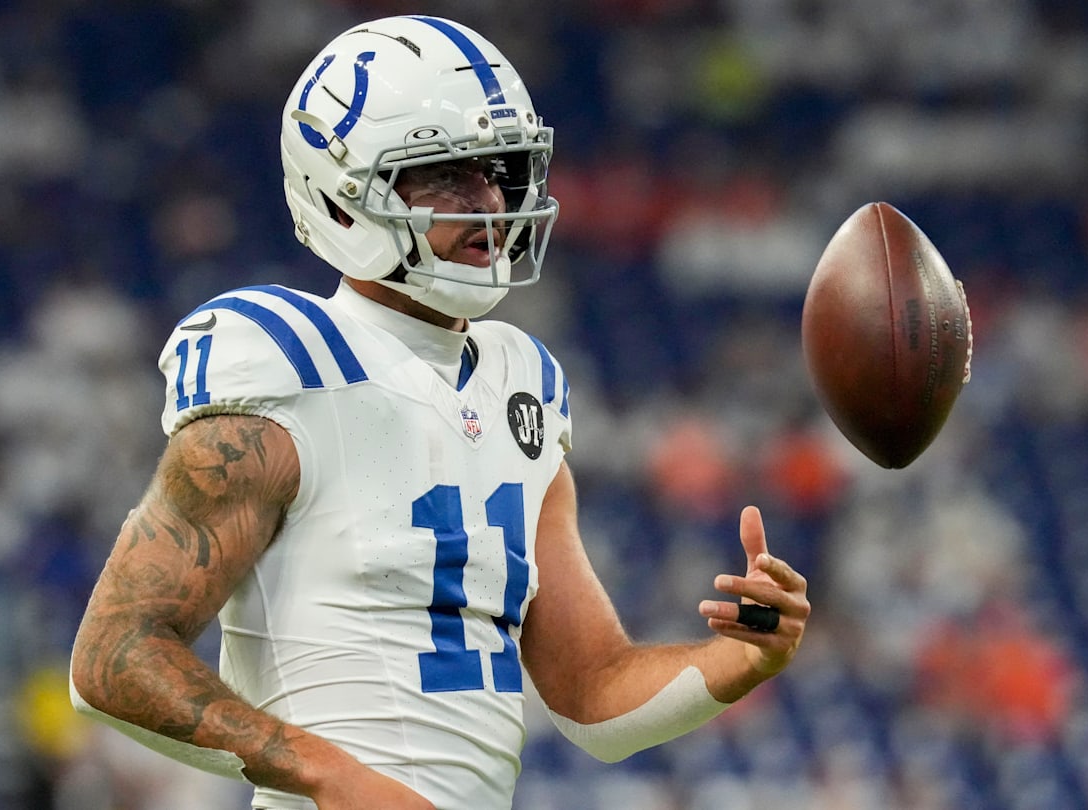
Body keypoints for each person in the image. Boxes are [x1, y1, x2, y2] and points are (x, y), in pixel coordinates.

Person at [69, 15, 810, 810]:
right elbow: (114, 656)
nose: (488, 200)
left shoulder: (522, 382)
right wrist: (331, 776)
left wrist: (742, 660)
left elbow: (593, 694)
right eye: (445, 175)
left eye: (497, 171)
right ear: (343, 197)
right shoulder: (287, 360)